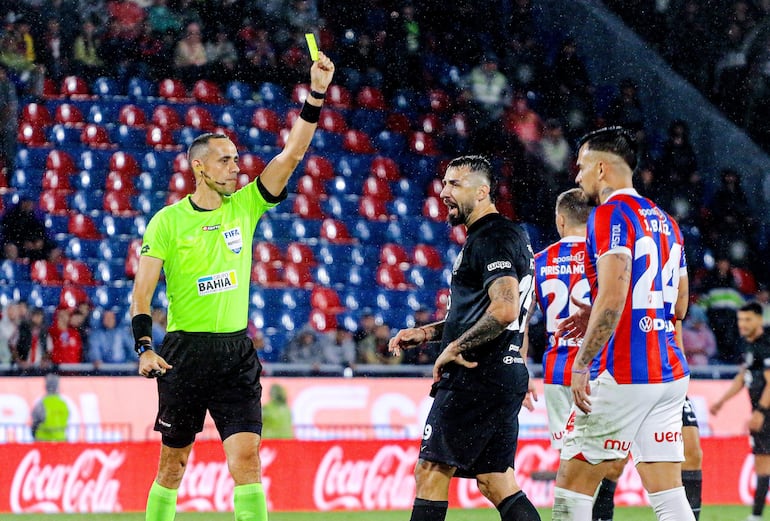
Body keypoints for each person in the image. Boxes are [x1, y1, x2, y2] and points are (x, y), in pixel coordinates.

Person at [129, 52, 334, 521]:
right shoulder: (167, 222)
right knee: (173, 464)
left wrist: (317, 93)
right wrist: (143, 346)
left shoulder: (245, 206)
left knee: (247, 461)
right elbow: (142, 294)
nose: (235, 168)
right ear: (199, 168)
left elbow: (293, 154)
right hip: (183, 354)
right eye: (225, 161)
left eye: (237, 160)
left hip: (236, 353)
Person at [389, 155, 541, 521]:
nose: (444, 193)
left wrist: (454, 347)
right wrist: (427, 333)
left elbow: (504, 309)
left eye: (455, 184)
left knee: (430, 473)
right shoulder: (507, 237)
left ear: (483, 191)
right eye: (444, 184)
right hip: (501, 371)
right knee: (496, 481)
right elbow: (498, 311)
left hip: (476, 373)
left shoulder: (491, 237)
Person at [553, 127, 693, 521]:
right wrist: (602, 308)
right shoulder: (667, 221)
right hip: (668, 373)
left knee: (572, 488)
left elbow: (614, 296)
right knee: (668, 494)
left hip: (625, 370)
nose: (576, 177)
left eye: (580, 168)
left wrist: (581, 363)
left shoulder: (609, 215)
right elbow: (678, 304)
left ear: (601, 168)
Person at [710, 302, 770, 521]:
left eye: (747, 320)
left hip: (766, 413)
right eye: (740, 320)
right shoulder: (748, 345)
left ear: (758, 319)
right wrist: (721, 402)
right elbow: (743, 377)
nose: (742, 324)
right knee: (761, 462)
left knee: (763, 462)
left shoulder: (766, 344)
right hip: (762, 412)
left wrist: (761, 412)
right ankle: (756, 515)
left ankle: (755, 516)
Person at [31, 373, 69, 441]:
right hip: (61, 440)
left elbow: (35, 422)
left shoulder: (42, 403)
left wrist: (34, 435)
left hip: (44, 441)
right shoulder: (63, 403)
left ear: (46, 386)